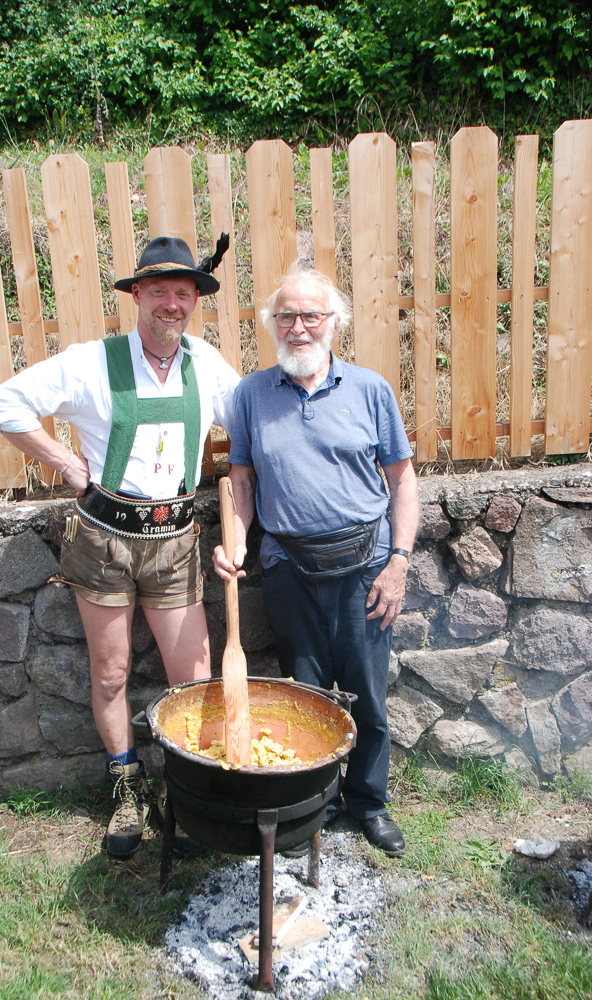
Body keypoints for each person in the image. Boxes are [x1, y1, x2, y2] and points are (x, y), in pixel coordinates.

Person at [0, 236, 240, 858]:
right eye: (160, 291)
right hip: (103, 542)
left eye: (184, 293)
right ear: (137, 296)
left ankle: (189, 788)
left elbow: (252, 427)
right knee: (111, 671)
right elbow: (0, 404)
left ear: (195, 301)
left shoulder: (207, 365)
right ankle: (126, 788)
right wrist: (68, 464)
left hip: (176, 540)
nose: (172, 303)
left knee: (193, 677)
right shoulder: (90, 363)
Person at [213, 265, 418, 857]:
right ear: (271, 324)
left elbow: (403, 481)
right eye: (286, 316)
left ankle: (369, 803)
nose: (298, 327)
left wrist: (399, 562)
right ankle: (316, 806)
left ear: (334, 323)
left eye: (310, 315)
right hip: (288, 569)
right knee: (305, 695)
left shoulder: (370, 389)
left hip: (366, 567)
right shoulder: (251, 396)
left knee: (366, 695)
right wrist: (235, 541)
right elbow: (242, 482)